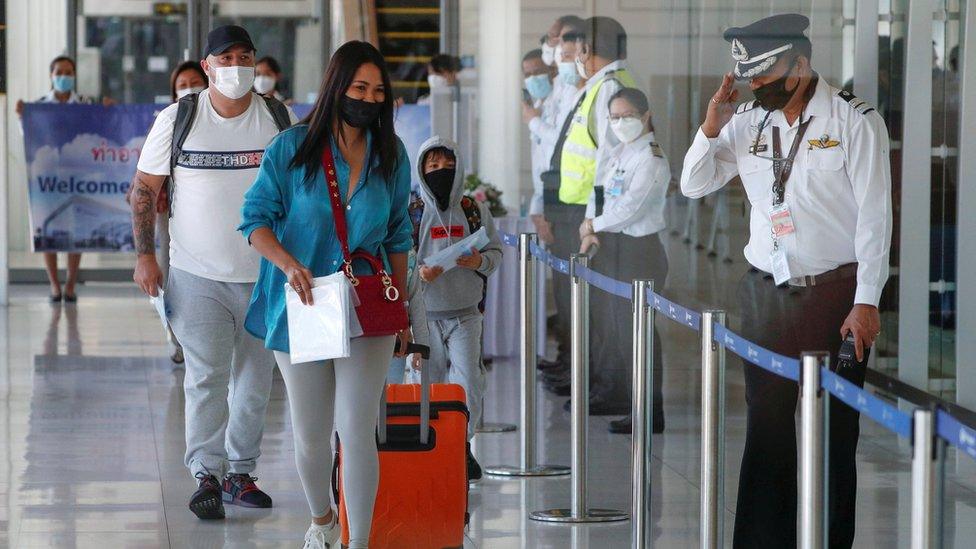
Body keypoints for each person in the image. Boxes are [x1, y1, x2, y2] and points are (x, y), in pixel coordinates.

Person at [679, 14, 891, 548]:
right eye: (751, 78)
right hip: (765, 292)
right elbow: (693, 184)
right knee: (766, 427)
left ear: (801, 63)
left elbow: (875, 219)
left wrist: (866, 301)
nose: (758, 87)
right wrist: (711, 125)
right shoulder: (748, 119)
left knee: (835, 434)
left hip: (834, 295)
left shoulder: (853, 120)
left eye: (767, 76)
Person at [238, 41, 413, 549]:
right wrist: (288, 263)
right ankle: (322, 519)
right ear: (337, 86)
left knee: (356, 428)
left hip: (367, 302)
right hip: (305, 302)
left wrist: (402, 309)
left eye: (378, 90)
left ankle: (358, 542)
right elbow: (255, 220)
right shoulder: (291, 148)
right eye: (359, 87)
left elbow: (398, 232)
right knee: (312, 433)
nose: (369, 98)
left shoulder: (391, 154)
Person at [129, 25, 296, 520]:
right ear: (206, 66)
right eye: (226, 58)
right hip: (195, 272)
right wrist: (145, 255)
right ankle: (206, 472)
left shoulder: (278, 117)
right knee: (206, 375)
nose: (238, 66)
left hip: (265, 273)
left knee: (254, 380)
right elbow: (143, 189)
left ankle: (240, 473)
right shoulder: (178, 118)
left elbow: (300, 187)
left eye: (245, 56)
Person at [542, 16, 638, 414]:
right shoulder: (598, 87)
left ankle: (610, 386)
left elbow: (609, 163)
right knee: (591, 307)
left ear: (586, 50)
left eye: (579, 48)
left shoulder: (611, 88)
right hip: (579, 213)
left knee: (604, 310)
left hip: (589, 215)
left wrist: (592, 222)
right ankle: (594, 378)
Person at [412, 137, 502, 482]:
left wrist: (480, 260)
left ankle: (462, 446)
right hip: (424, 316)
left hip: (466, 312)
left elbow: (495, 252)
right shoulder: (412, 210)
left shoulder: (473, 209)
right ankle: (431, 444)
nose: (441, 172)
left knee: (468, 383)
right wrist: (419, 273)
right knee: (426, 384)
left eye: (448, 167)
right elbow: (398, 257)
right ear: (422, 170)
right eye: (433, 167)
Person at [579, 88, 669, 434]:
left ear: (645, 116)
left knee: (639, 335)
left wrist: (593, 224)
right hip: (613, 247)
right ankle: (633, 403)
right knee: (620, 332)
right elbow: (599, 191)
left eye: (626, 115)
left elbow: (633, 207)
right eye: (614, 117)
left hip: (640, 253)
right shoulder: (621, 152)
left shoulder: (652, 157)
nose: (620, 123)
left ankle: (650, 412)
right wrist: (591, 227)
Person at [16, 56, 113, 303]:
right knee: (47, 229)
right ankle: (54, 286)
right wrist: (22, 117)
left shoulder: (85, 104)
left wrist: (110, 111)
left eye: (69, 72)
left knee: (75, 232)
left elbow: (103, 130)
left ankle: (70, 285)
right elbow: (29, 136)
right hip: (47, 179)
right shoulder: (39, 106)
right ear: (51, 75)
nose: (64, 76)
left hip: (78, 177)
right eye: (60, 72)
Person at [156, 61, 209, 364]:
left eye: (194, 82)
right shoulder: (168, 122)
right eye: (182, 84)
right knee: (170, 273)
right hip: (171, 214)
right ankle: (177, 339)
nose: (189, 89)